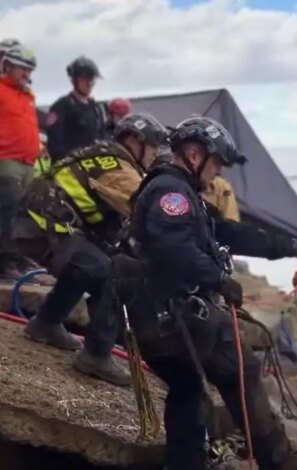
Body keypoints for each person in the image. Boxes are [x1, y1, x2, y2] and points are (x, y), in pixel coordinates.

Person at [128, 116, 297, 470]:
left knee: (192, 388)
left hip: (163, 313)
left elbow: (232, 233)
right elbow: (174, 247)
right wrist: (219, 281)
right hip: (168, 317)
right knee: (234, 368)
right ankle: (277, 459)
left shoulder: (187, 194)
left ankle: (208, 462)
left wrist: (292, 246)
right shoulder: (170, 193)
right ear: (193, 155)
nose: (218, 171)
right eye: (217, 161)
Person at [15, 113, 170, 386]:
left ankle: (46, 323)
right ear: (134, 141)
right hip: (46, 229)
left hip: (36, 226)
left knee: (96, 262)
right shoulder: (119, 169)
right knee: (113, 272)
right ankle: (96, 354)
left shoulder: (104, 157)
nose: (155, 154)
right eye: (154, 147)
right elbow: (147, 212)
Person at [0, 43, 40, 279]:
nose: (26, 74)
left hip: (28, 163)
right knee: (8, 211)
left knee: (22, 212)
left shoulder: (28, 95)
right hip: (6, 160)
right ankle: (6, 262)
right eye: (22, 68)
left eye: (29, 70)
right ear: (8, 66)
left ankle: (16, 257)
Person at [45, 56, 105, 162]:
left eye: (91, 80)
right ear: (74, 80)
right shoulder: (62, 106)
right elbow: (55, 142)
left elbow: (101, 136)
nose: (89, 84)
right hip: (69, 166)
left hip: (92, 165)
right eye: (85, 79)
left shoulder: (95, 107)